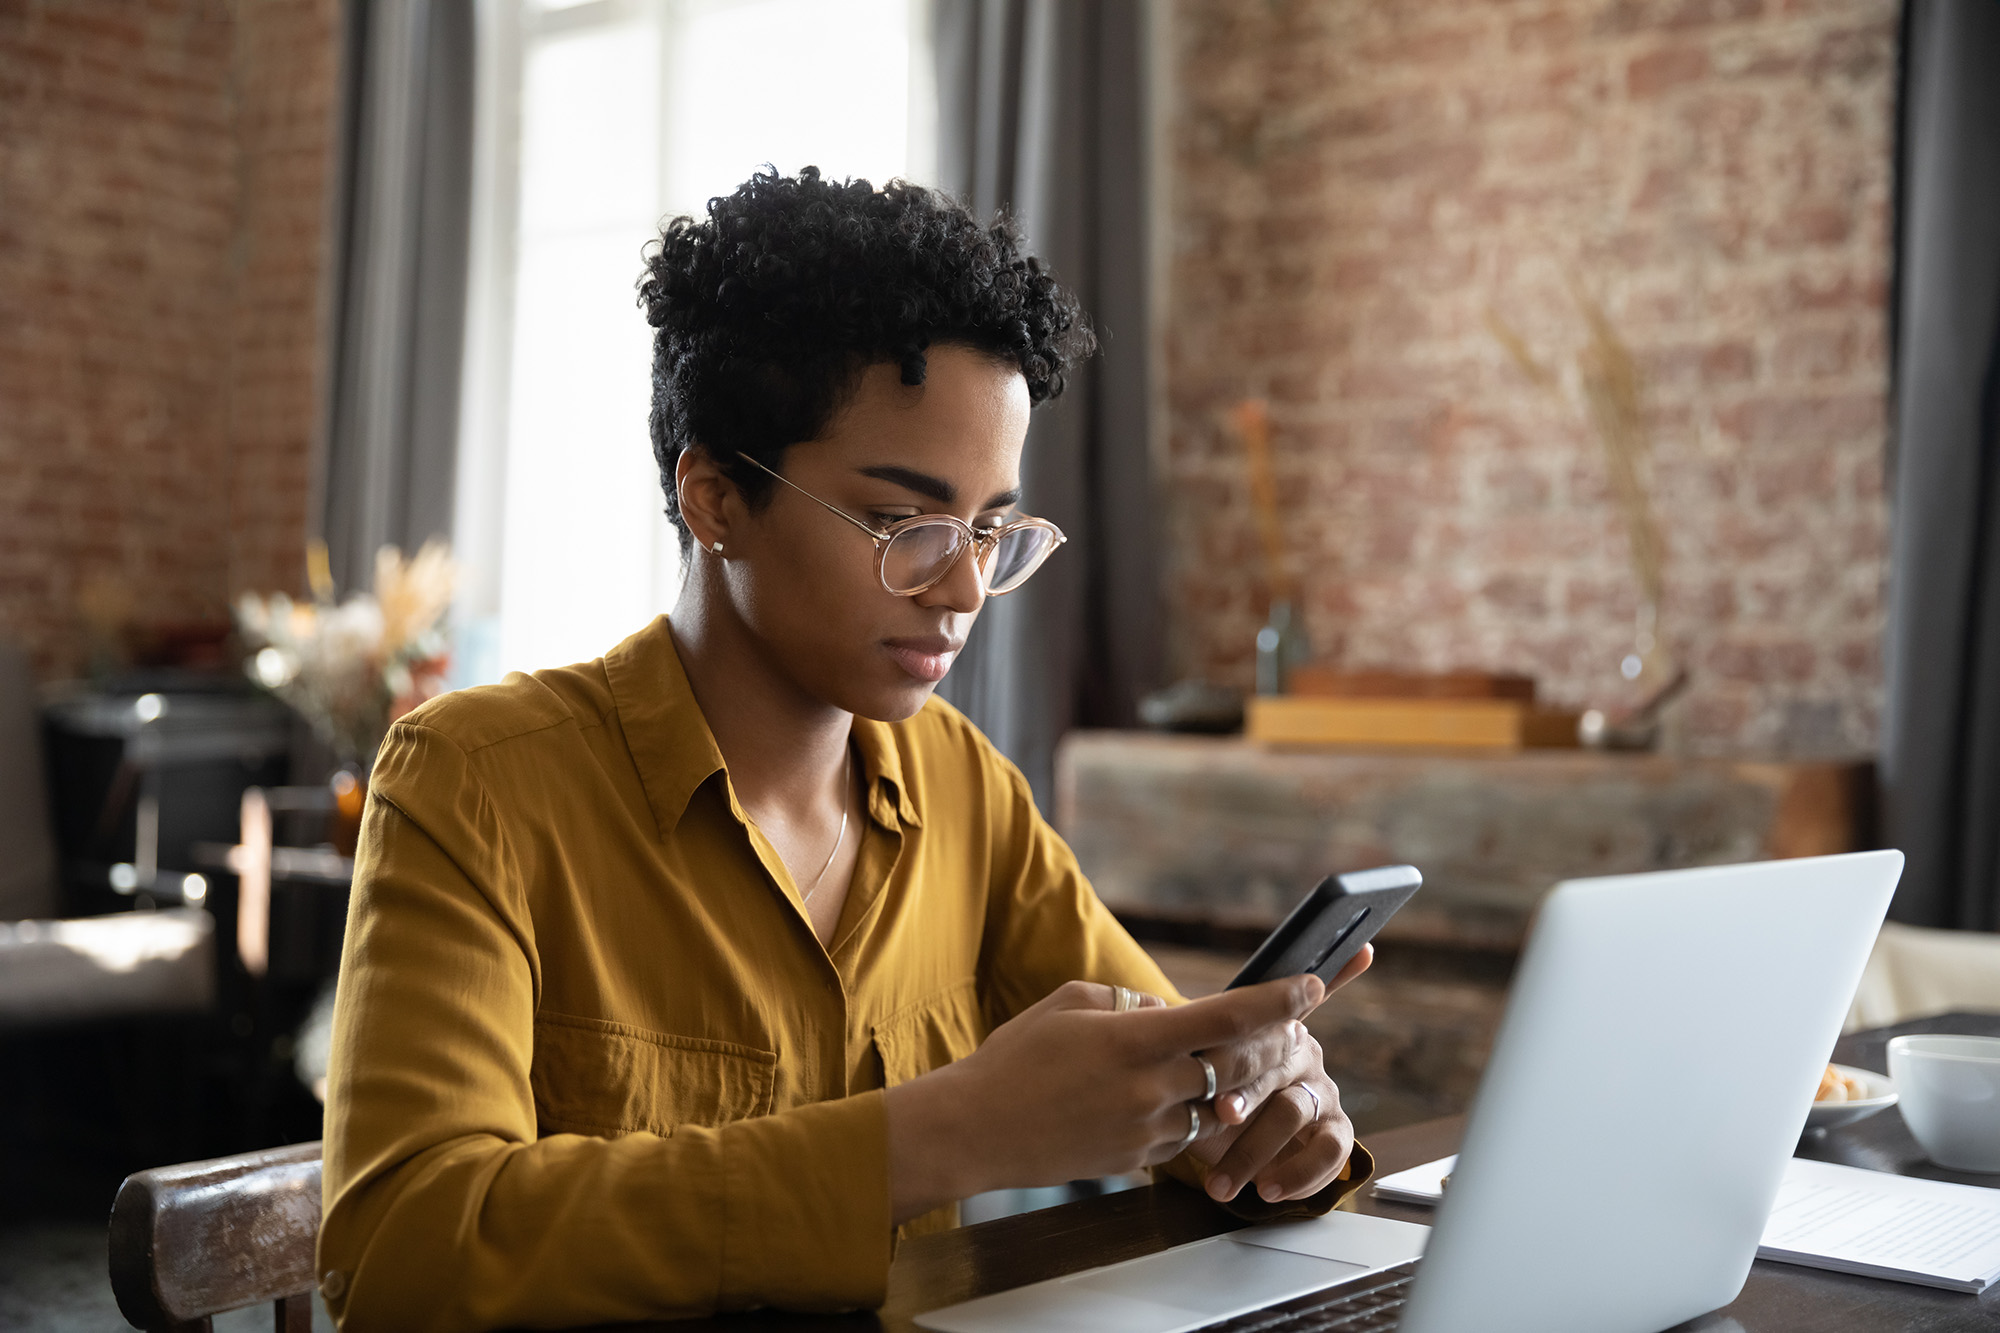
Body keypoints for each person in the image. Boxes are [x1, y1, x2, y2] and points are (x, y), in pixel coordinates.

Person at [316, 167, 1374, 1332]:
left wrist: (1261, 1115)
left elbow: (1158, 1063)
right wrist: (948, 1132)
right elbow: (401, 1252)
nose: (965, 587)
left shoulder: (963, 788)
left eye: (986, 527)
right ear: (715, 499)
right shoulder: (477, 783)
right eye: (898, 522)